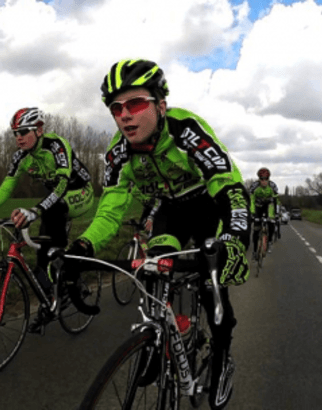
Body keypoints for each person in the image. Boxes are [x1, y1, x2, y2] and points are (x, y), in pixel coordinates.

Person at [65, 59, 250, 410]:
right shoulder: (118, 153)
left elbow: (228, 185)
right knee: (154, 266)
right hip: (172, 212)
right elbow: (111, 209)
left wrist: (235, 239)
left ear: (160, 106)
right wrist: (82, 247)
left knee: (215, 290)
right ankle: (157, 336)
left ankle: (222, 358)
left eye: (135, 104)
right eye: (116, 108)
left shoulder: (185, 129)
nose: (124, 116)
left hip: (211, 206)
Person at [0, 107, 94, 333]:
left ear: (39, 129)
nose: (18, 137)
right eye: (14, 133)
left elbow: (62, 185)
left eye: (23, 131)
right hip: (54, 199)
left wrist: (36, 209)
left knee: (52, 221)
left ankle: (70, 274)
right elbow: (7, 187)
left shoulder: (57, 146)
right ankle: (50, 300)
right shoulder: (20, 157)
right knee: (41, 255)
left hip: (80, 193)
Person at [249, 167, 280, 256]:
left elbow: (276, 200)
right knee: (256, 229)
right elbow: (252, 200)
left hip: (269, 206)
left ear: (268, 178)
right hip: (258, 206)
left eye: (266, 179)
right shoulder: (254, 186)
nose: (264, 181)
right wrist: (252, 214)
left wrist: (276, 214)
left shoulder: (272, 186)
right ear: (259, 179)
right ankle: (255, 250)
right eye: (262, 179)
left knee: (271, 223)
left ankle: (269, 242)